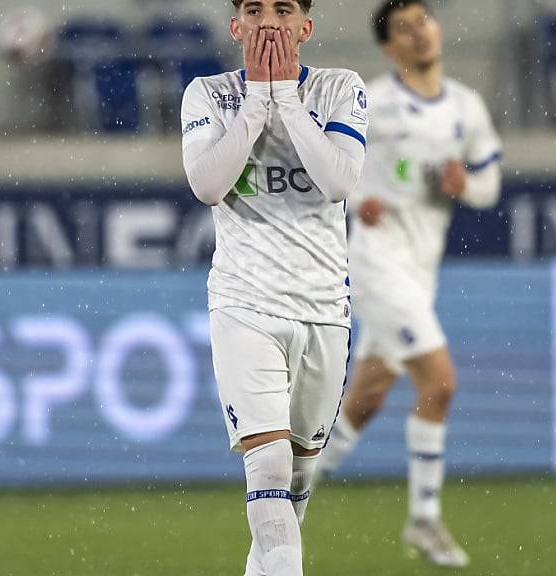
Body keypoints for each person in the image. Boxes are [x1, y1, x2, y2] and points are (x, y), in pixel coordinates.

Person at [180, 1, 368, 574]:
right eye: (254, 10)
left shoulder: (339, 88)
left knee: (299, 478)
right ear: (235, 26)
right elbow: (207, 185)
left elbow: (339, 180)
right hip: (245, 304)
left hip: (324, 309)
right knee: (267, 468)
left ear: (304, 28)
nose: (268, 22)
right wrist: (257, 102)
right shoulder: (207, 94)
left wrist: (284, 96)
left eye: (283, 10)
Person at [313, 0, 502, 568]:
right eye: (404, 28)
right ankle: (424, 519)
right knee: (439, 382)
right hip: (376, 260)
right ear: (388, 48)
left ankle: (292, 491)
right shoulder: (370, 102)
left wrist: (465, 185)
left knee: (366, 400)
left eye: (424, 21)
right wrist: (354, 202)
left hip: (421, 269)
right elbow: (324, 167)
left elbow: (490, 184)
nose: (419, 34)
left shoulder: (466, 106)